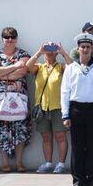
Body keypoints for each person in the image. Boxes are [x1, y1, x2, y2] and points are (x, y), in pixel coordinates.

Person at [61, 31, 93, 186]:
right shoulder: (70, 69)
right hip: (76, 109)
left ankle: (92, 179)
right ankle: (78, 180)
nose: (85, 49)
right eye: (82, 47)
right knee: (77, 146)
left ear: (92, 48)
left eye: (88, 46)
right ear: (78, 48)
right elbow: (65, 92)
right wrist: (65, 114)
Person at [0, 27, 32, 172]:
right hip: (1, 98)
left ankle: (19, 163)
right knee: (2, 129)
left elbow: (23, 71)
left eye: (12, 37)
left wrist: (4, 73)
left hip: (19, 97)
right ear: (2, 39)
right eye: (6, 37)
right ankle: (5, 163)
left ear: (16, 38)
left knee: (20, 129)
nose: (9, 39)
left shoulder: (24, 54)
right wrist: (14, 67)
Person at [28, 41, 68, 174]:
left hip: (58, 106)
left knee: (60, 136)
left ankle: (61, 164)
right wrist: (39, 52)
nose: (50, 51)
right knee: (46, 136)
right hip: (42, 107)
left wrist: (63, 52)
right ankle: (48, 163)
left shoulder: (61, 67)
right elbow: (27, 66)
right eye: (48, 49)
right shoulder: (39, 67)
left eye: (53, 48)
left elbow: (73, 67)